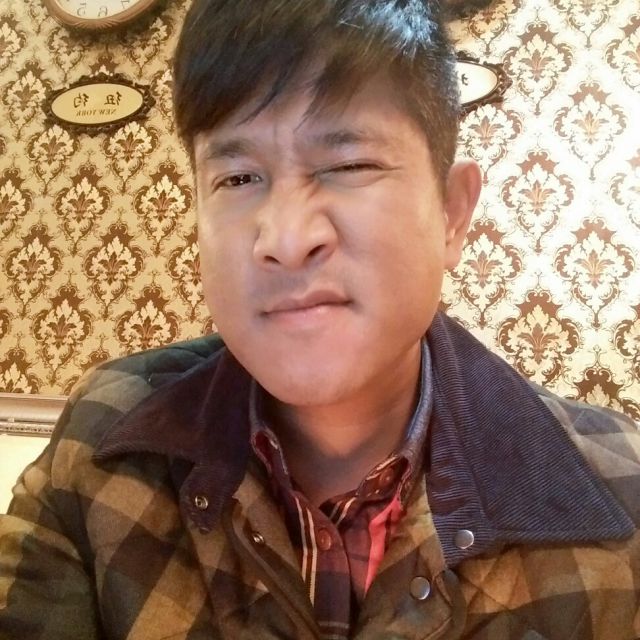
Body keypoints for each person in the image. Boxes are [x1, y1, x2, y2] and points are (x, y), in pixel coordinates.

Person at [1, 0, 639, 638]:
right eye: (238, 178)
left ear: (451, 213)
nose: (285, 239)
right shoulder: (102, 444)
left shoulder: (620, 494)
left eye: (349, 165)